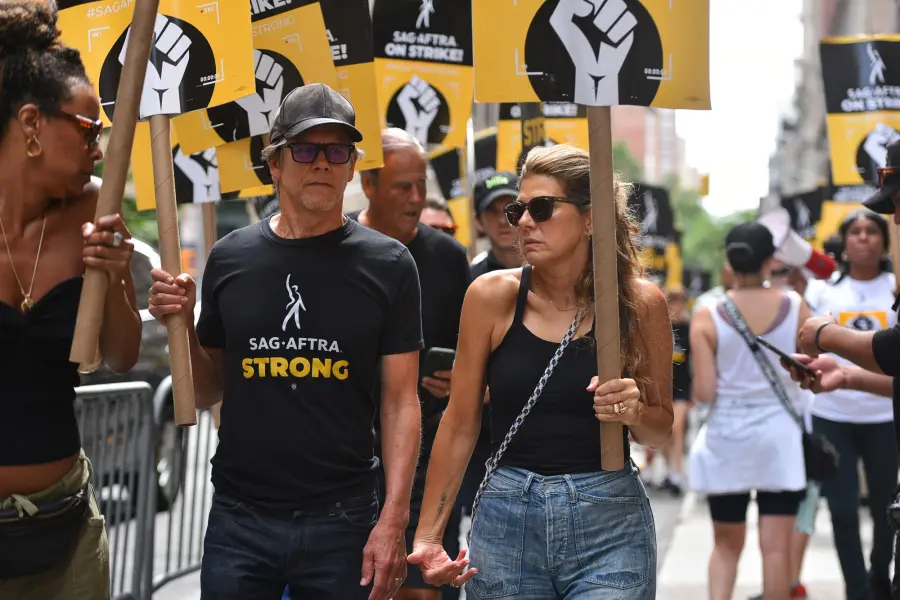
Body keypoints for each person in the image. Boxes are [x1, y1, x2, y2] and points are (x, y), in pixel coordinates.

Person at [148, 84, 423, 600]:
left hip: (344, 518)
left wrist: (394, 519)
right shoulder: (229, 258)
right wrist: (181, 324)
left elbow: (400, 402)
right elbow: (206, 390)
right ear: (274, 163)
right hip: (240, 518)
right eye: (304, 149)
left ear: (352, 167)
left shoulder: (390, 265)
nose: (321, 163)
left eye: (336, 151)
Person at [408, 144, 674, 599]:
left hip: (609, 521)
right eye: (518, 210)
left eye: (543, 208)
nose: (525, 222)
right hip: (507, 518)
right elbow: (459, 422)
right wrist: (429, 537)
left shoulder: (638, 303)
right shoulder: (491, 296)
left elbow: (659, 430)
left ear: (591, 218)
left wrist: (634, 411)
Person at [0, 2, 141, 598]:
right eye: (88, 131)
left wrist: (116, 276)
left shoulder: (94, 207)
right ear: (32, 124)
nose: (99, 150)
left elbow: (124, 355)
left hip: (66, 535)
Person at [351, 128, 471, 600]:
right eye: (403, 186)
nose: (417, 198)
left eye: (422, 185)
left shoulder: (448, 257)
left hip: (427, 453)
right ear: (368, 184)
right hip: (346, 457)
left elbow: (476, 354)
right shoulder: (335, 246)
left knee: (420, 586)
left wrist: (462, 380)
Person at [792, 151, 900, 599]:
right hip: (834, 414)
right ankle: (857, 589)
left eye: (873, 230)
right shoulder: (823, 289)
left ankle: (879, 576)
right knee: (840, 509)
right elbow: (804, 341)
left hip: (883, 418)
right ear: (845, 241)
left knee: (886, 508)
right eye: (855, 232)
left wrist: (828, 337)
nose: (864, 238)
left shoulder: (893, 286)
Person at [688, 222, 811, 600]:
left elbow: (705, 392)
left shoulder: (708, 313)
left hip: (728, 438)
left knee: (726, 546)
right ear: (771, 260)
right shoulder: (796, 306)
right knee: (775, 550)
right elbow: (811, 371)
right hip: (780, 438)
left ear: (729, 260)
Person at [660, 286, 691, 496]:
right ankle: (669, 469)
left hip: (682, 386)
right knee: (663, 432)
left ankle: (676, 474)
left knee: (677, 428)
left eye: (680, 302)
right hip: (662, 385)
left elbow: (695, 359)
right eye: (673, 302)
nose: (677, 307)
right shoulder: (660, 325)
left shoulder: (688, 328)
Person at [469, 171, 521, 278]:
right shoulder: (471, 279)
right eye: (492, 211)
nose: (502, 221)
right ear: (478, 222)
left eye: (511, 209)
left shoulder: (549, 268)